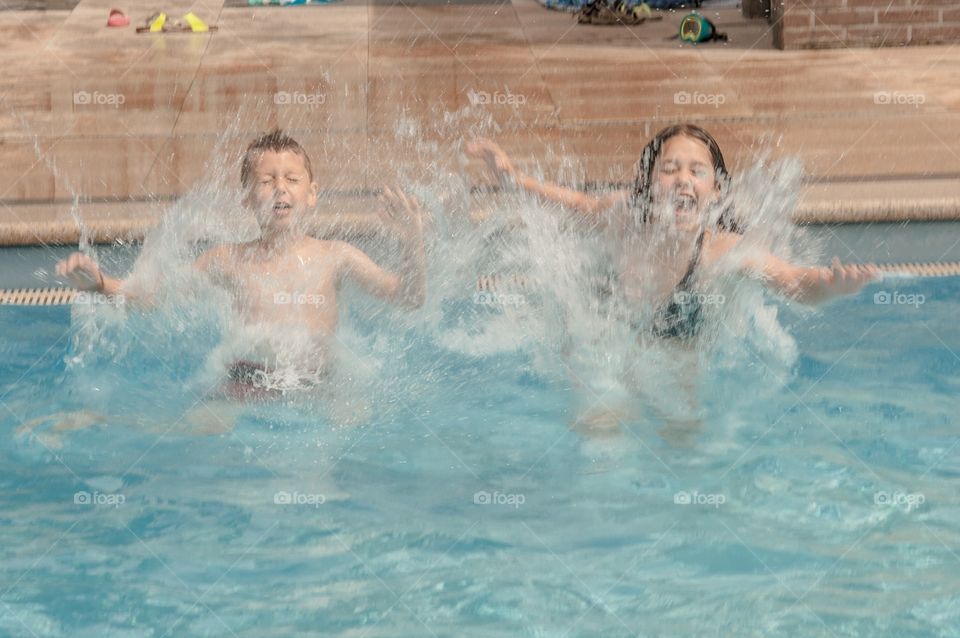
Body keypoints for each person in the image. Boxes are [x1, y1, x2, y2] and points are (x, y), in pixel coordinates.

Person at [467, 124, 880, 438]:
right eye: (670, 168)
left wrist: (829, 285)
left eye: (697, 171)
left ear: (716, 191)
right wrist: (512, 178)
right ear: (649, 182)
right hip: (608, 338)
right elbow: (576, 204)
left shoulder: (723, 250)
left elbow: (792, 280)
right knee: (602, 427)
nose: (683, 178)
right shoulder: (623, 220)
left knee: (684, 435)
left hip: (676, 350)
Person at [56, 129, 426, 402]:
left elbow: (409, 298)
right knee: (196, 438)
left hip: (319, 387)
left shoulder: (336, 256)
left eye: (292, 179)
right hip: (244, 384)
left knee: (354, 431)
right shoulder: (227, 260)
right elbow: (154, 298)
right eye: (266, 181)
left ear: (312, 194)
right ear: (247, 199)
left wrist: (412, 241)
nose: (281, 188)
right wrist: (101, 283)